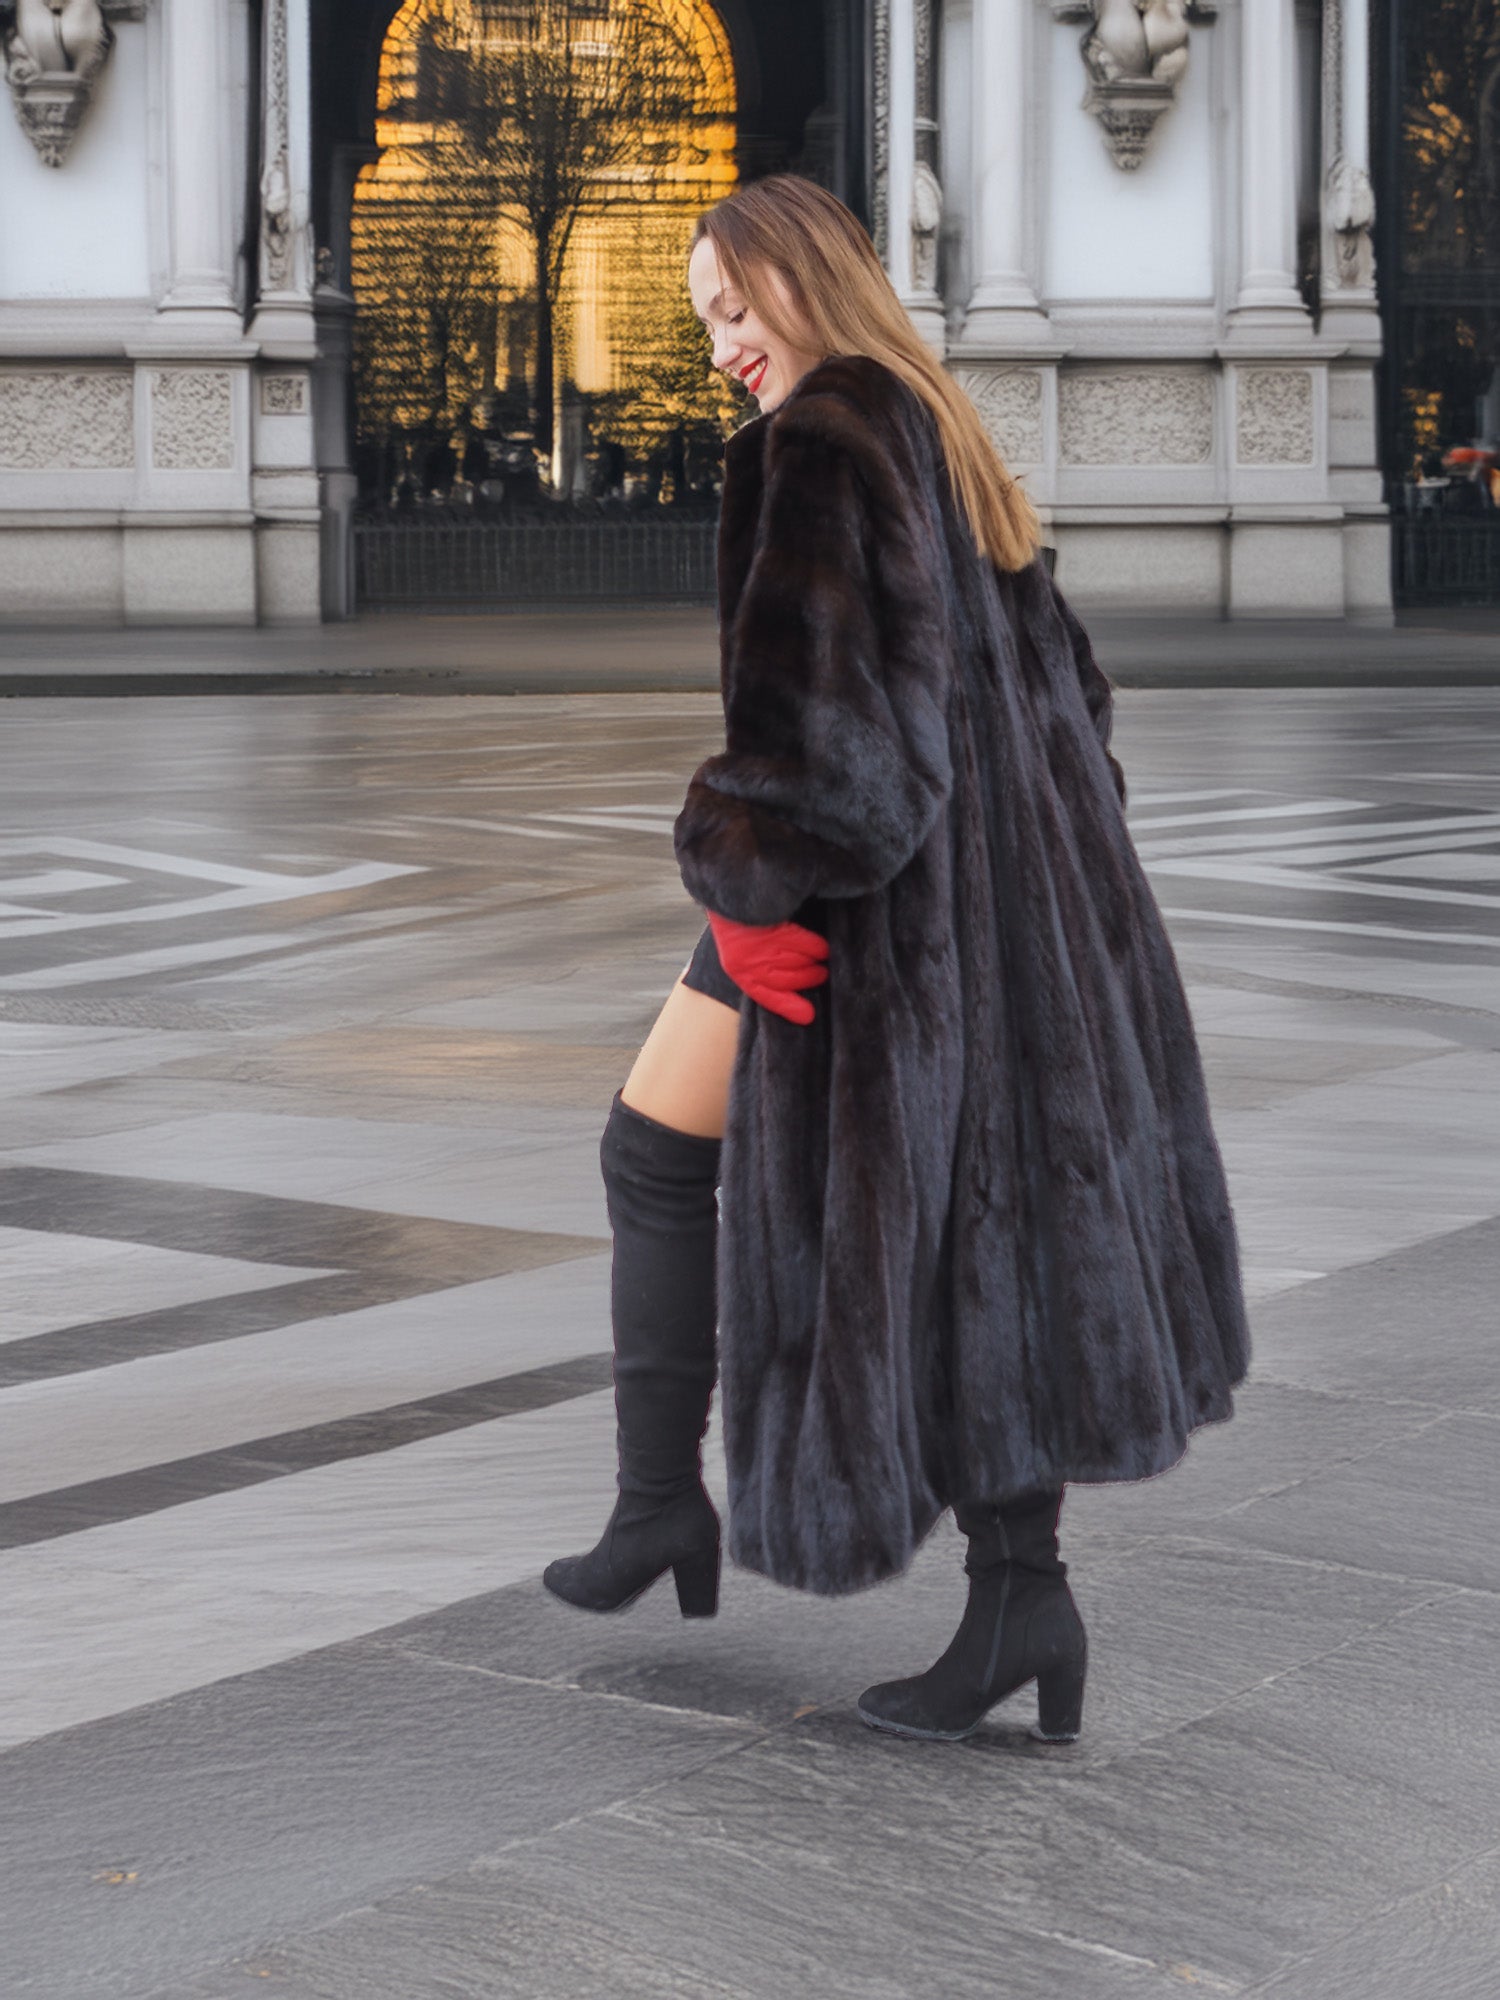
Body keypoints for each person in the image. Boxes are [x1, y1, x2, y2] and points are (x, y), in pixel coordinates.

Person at [543, 174, 1250, 1745]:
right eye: (703, 320)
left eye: (734, 306)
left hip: (860, 903)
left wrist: (743, 869)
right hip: (1007, 911)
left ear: (805, 280)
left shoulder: (826, 436)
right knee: (987, 1233)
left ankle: (666, 1507)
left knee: (662, 1154)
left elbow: (842, 746)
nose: (720, 342)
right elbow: (1076, 704)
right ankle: (1018, 1596)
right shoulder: (944, 428)